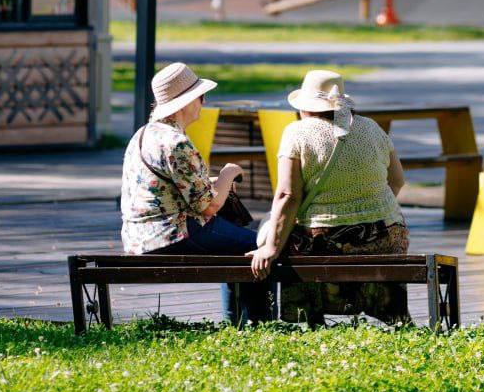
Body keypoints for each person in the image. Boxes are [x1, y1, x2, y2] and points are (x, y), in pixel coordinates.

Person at [248, 69, 408, 324]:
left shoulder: (297, 133)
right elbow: (397, 181)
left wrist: (270, 247)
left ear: (304, 106)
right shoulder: (371, 127)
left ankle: (309, 317)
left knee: (286, 236)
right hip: (386, 234)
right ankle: (392, 314)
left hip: (326, 239)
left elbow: (288, 195)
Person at [120, 62, 275, 324]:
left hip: (138, 235)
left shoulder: (143, 134)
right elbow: (209, 207)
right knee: (257, 246)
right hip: (171, 233)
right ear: (185, 102)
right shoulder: (176, 142)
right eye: (200, 96)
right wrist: (228, 174)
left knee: (234, 245)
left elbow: (169, 186)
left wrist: (212, 181)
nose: (203, 102)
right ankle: (260, 323)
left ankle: (236, 322)